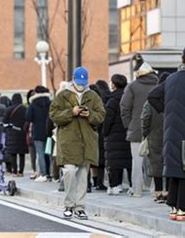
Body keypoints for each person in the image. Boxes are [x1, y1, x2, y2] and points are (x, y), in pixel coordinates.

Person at [148, 45, 185, 221]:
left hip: (170, 128)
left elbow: (152, 96)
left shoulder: (171, 79)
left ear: (182, 59)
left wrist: (165, 111)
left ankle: (173, 208)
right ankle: (183, 210)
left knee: (174, 167)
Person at [49, 66, 105, 220]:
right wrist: (70, 112)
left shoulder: (93, 96)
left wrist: (90, 114)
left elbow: (101, 116)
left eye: (83, 81)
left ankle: (80, 207)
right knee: (69, 171)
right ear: (73, 79)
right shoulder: (62, 95)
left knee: (82, 175)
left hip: (87, 140)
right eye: (79, 81)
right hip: (68, 140)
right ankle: (69, 205)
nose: (81, 84)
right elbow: (53, 115)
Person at [120, 61, 158, 197]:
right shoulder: (157, 86)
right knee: (155, 160)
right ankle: (155, 189)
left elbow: (124, 107)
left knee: (137, 161)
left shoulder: (132, 87)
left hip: (136, 128)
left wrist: (128, 124)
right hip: (155, 128)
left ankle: (137, 190)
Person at [141, 72, 170, 203]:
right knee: (170, 163)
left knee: (156, 163)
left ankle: (158, 192)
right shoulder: (172, 99)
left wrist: (145, 132)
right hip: (170, 135)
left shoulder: (151, 101)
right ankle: (168, 191)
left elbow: (145, 118)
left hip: (154, 134)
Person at [103, 74, 132, 195]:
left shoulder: (112, 100)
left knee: (114, 162)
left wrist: (105, 133)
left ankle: (115, 185)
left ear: (113, 84)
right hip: (128, 133)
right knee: (129, 161)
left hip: (114, 136)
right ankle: (132, 184)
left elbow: (107, 120)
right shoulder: (129, 98)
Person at [26, 86, 52, 182]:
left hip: (37, 131)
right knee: (48, 153)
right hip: (48, 130)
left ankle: (43, 174)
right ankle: (49, 173)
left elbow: (28, 117)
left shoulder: (33, 104)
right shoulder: (50, 102)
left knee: (40, 153)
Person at [3, 93, 28, 177]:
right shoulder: (25, 109)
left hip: (12, 133)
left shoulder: (9, 109)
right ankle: (21, 171)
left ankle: (14, 171)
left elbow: (4, 121)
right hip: (22, 133)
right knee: (22, 154)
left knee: (13, 153)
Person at [25, 89, 38, 179]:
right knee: (38, 153)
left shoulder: (31, 107)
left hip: (32, 133)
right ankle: (37, 171)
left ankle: (36, 171)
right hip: (37, 133)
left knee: (35, 153)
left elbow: (27, 120)